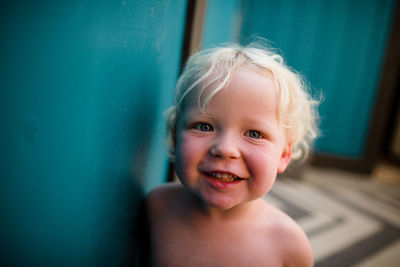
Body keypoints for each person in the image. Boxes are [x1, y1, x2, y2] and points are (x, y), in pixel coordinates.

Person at [146, 43, 319, 266]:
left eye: (255, 133)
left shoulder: (289, 245)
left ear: (284, 155)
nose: (225, 149)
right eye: (204, 126)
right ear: (176, 136)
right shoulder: (157, 207)